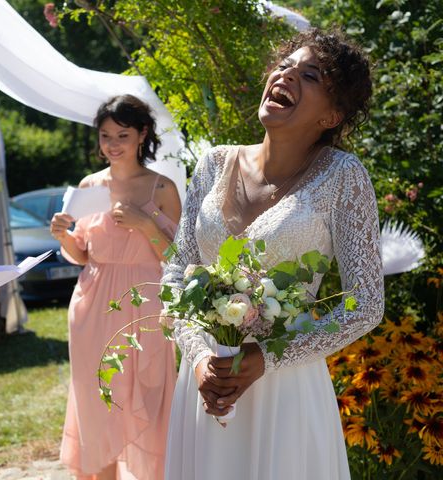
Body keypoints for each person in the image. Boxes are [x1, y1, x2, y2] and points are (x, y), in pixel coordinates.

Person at [163, 29, 384, 479]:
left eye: (310, 75)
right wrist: (201, 358)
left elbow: (366, 304)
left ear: (332, 115)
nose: (286, 75)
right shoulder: (213, 164)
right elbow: (174, 276)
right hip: (208, 385)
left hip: (286, 388)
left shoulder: (344, 178)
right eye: (285, 65)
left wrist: (266, 358)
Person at [51, 94, 182, 480]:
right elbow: (82, 255)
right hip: (93, 304)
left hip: (146, 303)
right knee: (96, 401)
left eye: (121, 134)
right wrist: (63, 236)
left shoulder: (162, 188)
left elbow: (177, 257)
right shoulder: (89, 185)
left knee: (147, 393)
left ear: (142, 135)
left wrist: (146, 224)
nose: (112, 144)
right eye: (105, 135)